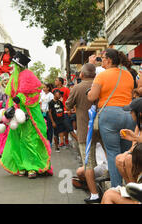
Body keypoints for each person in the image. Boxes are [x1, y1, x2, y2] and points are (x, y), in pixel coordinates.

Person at [87, 49, 136, 187]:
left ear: (108, 60)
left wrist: (89, 92)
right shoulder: (128, 75)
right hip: (129, 114)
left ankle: (116, 189)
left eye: (102, 58)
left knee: (113, 154)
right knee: (126, 154)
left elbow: (92, 96)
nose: (101, 61)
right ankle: (130, 188)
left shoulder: (102, 76)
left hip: (110, 115)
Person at [0, 52, 52, 179]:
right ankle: (21, 166)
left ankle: (32, 167)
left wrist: (21, 98)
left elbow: (34, 94)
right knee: (15, 138)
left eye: (15, 64)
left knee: (29, 139)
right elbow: (11, 95)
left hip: (28, 115)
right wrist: (10, 108)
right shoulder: (13, 77)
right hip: (15, 114)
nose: (13, 66)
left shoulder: (28, 75)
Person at [65, 63, 100, 203]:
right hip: (103, 127)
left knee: (88, 163)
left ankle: (94, 194)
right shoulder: (101, 84)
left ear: (82, 74)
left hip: (85, 130)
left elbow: (68, 104)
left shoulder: (77, 88)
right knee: (110, 155)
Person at [116, 97, 142, 184]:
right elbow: (134, 145)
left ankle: (134, 189)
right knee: (119, 159)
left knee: (128, 159)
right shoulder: (138, 125)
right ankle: (129, 187)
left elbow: (137, 140)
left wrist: (134, 137)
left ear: (140, 114)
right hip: (138, 154)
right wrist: (126, 152)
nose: (130, 113)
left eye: (132, 111)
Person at [53, 77, 72, 147]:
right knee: (58, 126)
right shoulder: (54, 90)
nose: (55, 81)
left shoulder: (66, 89)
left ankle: (66, 139)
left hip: (64, 110)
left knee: (65, 126)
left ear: (60, 82)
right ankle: (60, 141)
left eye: (56, 80)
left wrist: (69, 109)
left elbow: (70, 99)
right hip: (56, 111)